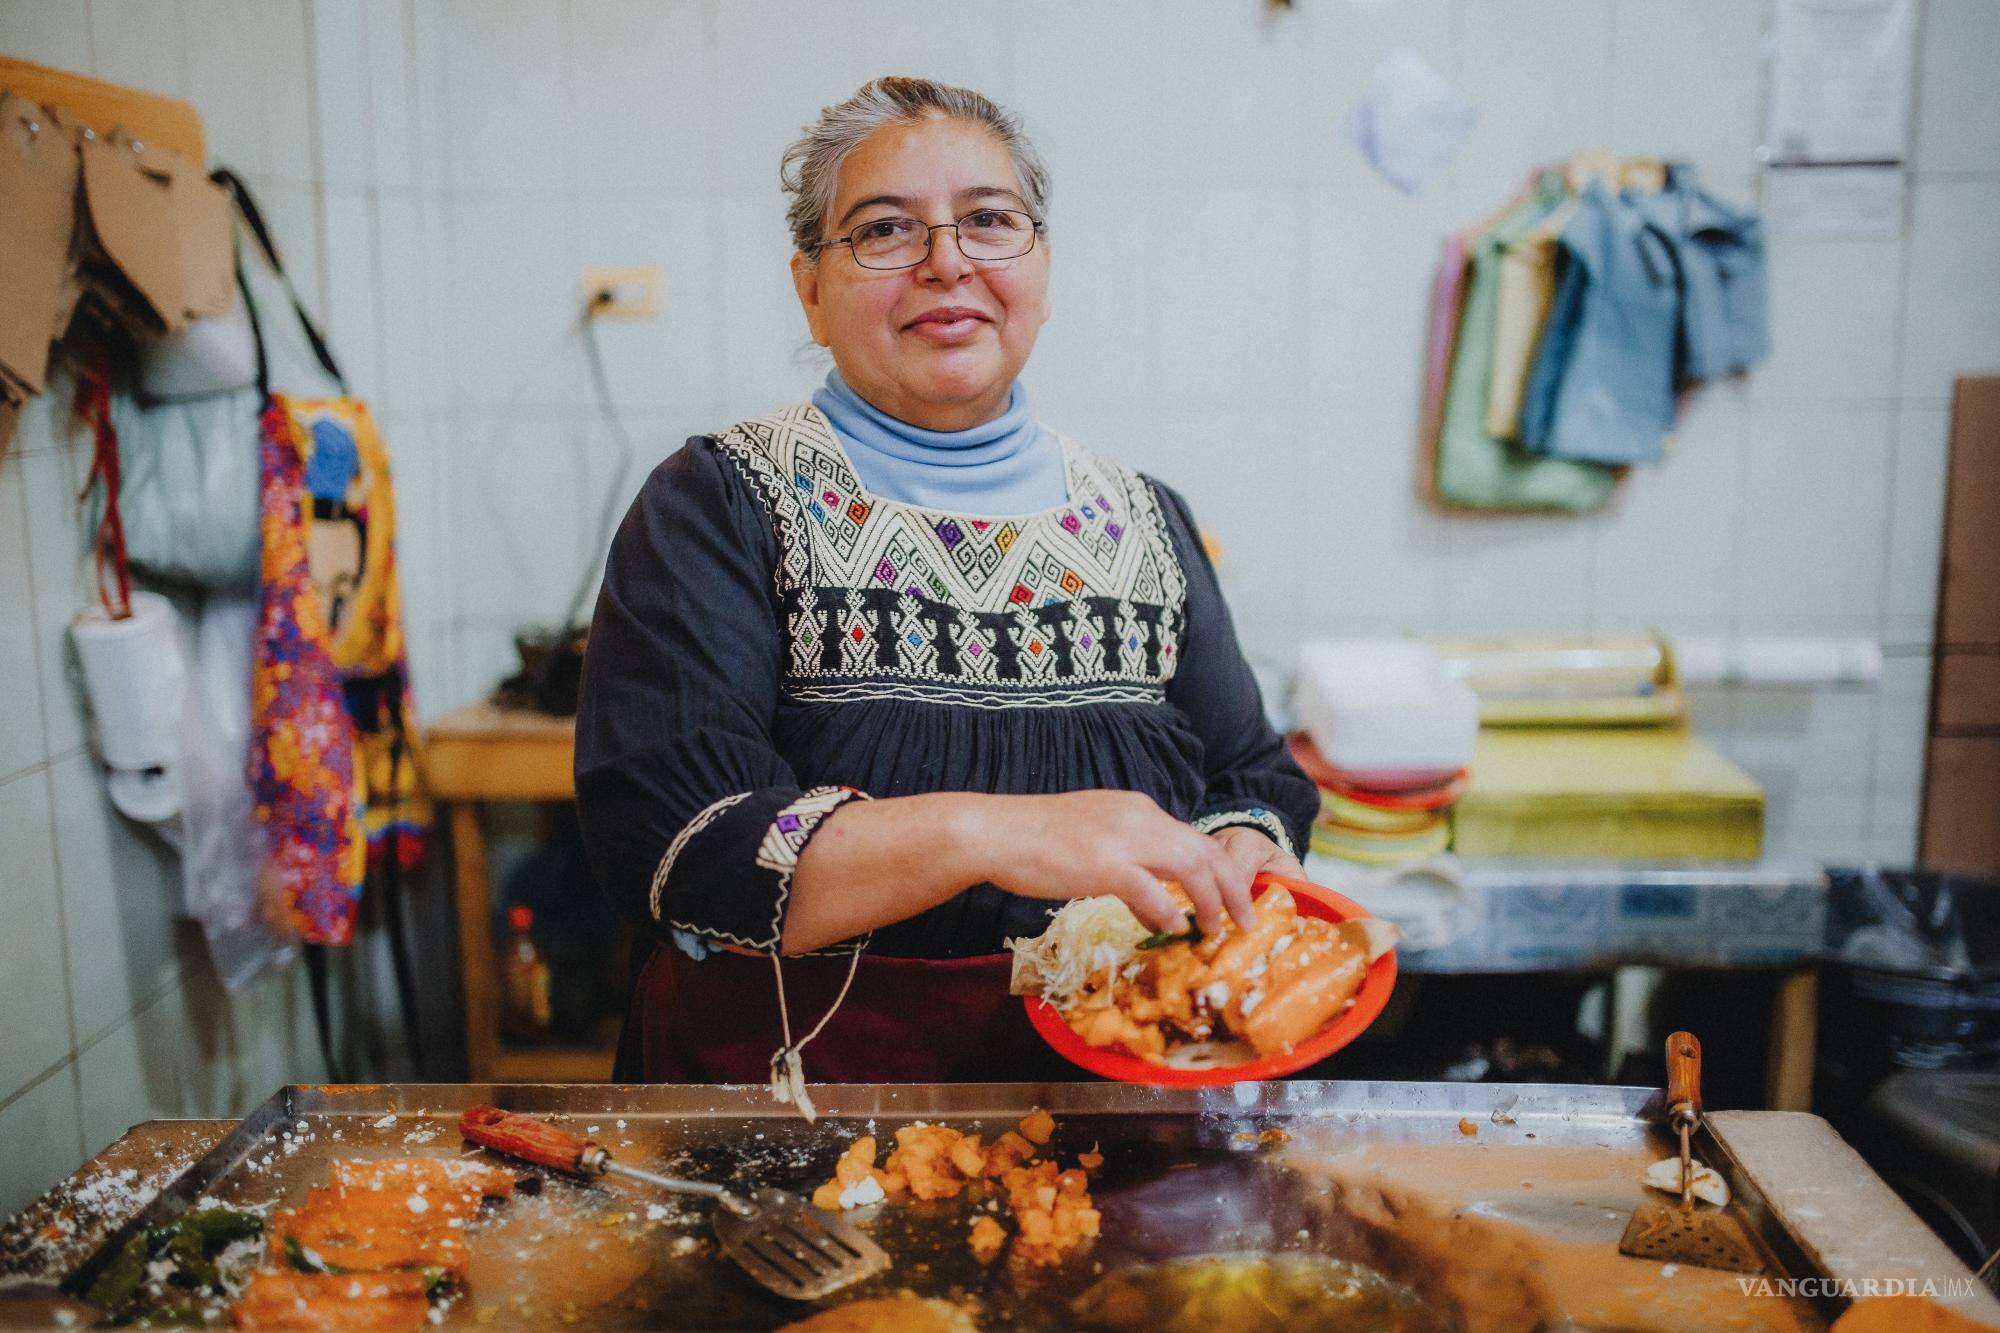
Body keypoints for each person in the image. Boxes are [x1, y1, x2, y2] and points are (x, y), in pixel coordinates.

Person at [576, 77, 1316, 1086]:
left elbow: (1252, 782)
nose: (945, 262)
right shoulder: (717, 502)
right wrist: (995, 832)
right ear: (809, 286)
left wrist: (1238, 852)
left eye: (987, 220)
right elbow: (679, 846)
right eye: (884, 230)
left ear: (1040, 265)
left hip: (1123, 1099)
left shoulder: (1143, 517)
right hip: (790, 1121)